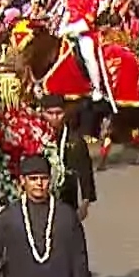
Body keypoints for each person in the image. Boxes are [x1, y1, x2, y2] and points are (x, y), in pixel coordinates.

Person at [36, 93, 96, 221]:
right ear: (41, 113)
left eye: (59, 113)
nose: (55, 118)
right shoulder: (35, 137)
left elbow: (85, 171)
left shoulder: (75, 141)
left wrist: (85, 202)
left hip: (67, 197)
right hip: (41, 195)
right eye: (50, 113)